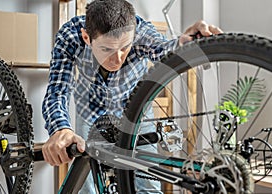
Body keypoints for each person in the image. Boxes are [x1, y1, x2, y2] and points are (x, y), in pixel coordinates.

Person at [42, 0, 223, 193]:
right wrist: (60, 128)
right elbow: (58, 90)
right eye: (107, 49)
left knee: (148, 185)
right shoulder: (70, 36)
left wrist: (183, 43)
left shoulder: (141, 31)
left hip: (136, 111)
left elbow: (163, 50)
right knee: (87, 185)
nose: (118, 58)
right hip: (90, 111)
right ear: (86, 38)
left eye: (125, 47)